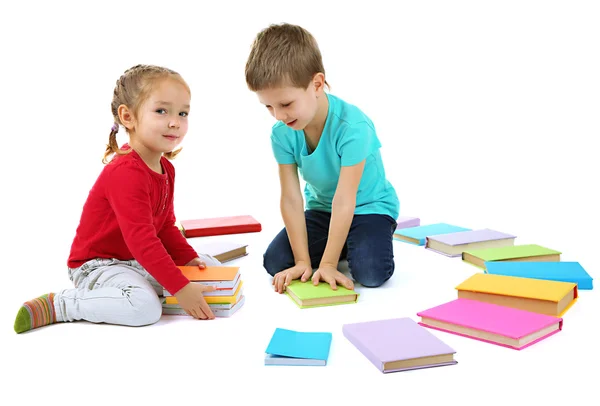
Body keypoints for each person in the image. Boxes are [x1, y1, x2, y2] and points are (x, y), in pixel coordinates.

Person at [14, 64, 220, 334]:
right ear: (128, 117)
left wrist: (189, 260)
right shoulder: (126, 173)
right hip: (97, 264)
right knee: (145, 309)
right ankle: (61, 305)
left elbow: (166, 228)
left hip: (133, 260)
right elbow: (142, 240)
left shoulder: (166, 169)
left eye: (183, 113)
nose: (175, 122)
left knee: (210, 267)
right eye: (162, 111)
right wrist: (180, 287)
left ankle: (154, 291)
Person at [245, 23, 399, 294]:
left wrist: (327, 263)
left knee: (371, 273)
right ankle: (341, 243)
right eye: (268, 106)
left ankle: (351, 243)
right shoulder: (282, 134)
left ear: (316, 84)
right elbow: (291, 198)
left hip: (368, 207)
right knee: (277, 261)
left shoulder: (353, 127)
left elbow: (345, 198)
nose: (278, 115)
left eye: (286, 104)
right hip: (323, 211)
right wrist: (303, 261)